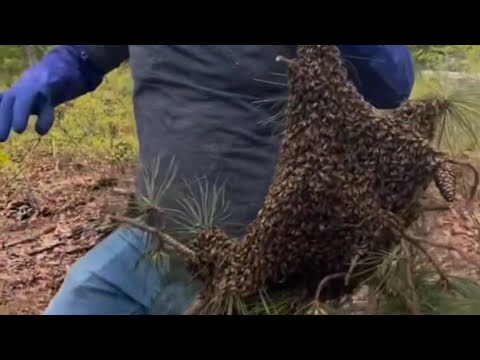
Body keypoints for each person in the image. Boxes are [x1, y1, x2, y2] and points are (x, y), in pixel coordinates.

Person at [0, 45, 415, 315]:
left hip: (262, 261)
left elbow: (392, 85)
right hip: (152, 240)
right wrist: (49, 76)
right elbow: (86, 55)